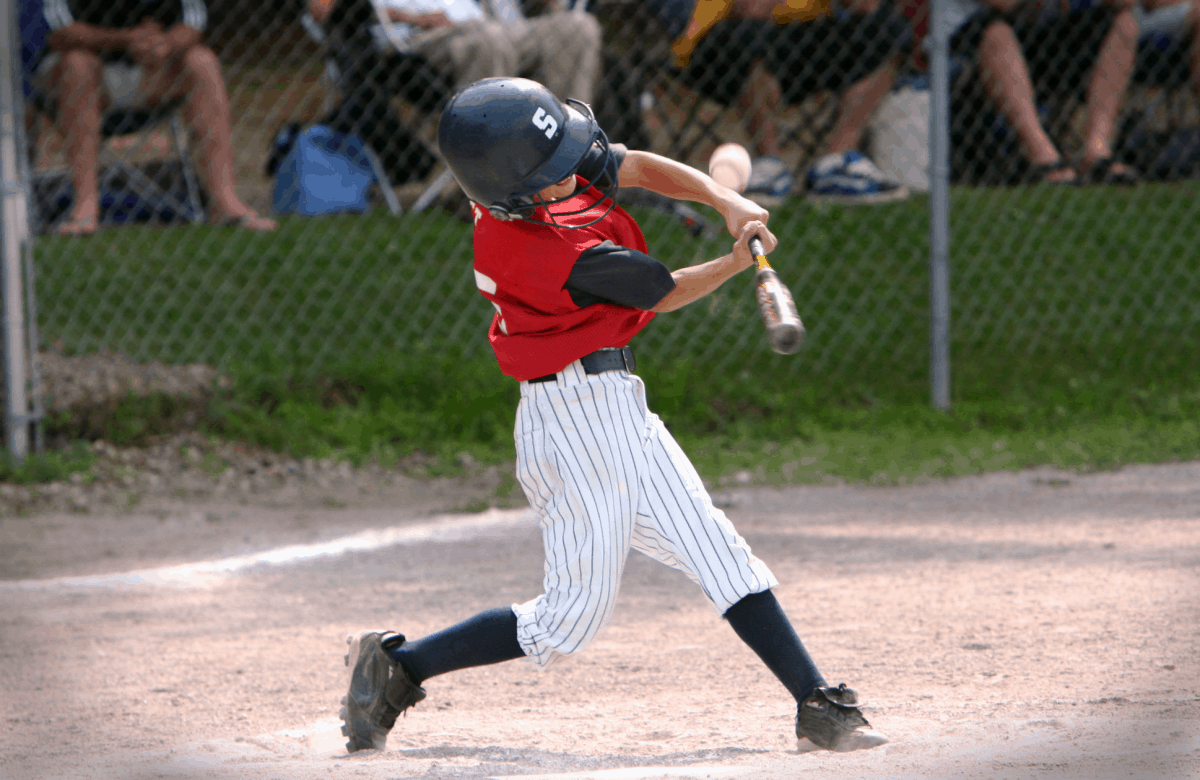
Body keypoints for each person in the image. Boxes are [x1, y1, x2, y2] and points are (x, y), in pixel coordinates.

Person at [339, 76, 890, 757]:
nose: (573, 171)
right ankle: (398, 668)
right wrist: (740, 253)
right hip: (572, 424)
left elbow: (631, 164)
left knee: (717, 550)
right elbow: (662, 290)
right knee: (569, 619)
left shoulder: (527, 183)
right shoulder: (542, 251)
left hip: (615, 405)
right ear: (512, 190)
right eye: (553, 171)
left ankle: (818, 705)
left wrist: (722, 197)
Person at [35, 0, 276, 235]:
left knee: (202, 62)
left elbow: (194, 23)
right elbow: (58, 32)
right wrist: (126, 39)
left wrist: (164, 45)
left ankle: (225, 203)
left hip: (152, 69)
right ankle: (85, 209)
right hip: (85, 74)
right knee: (77, 65)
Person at [669, 0, 912, 204]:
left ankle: (835, 163)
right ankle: (770, 165)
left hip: (801, 38)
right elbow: (752, 10)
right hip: (719, 45)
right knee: (748, 35)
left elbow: (866, 6)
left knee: (889, 29)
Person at [943, 0, 1141, 183]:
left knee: (1124, 23)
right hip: (972, 48)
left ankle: (1096, 150)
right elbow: (1003, 3)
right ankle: (1042, 156)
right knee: (997, 30)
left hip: (1041, 40)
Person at [309, 0, 602, 105]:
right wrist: (411, 17)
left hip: (486, 25)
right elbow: (321, 11)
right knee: (489, 39)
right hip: (419, 38)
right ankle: (487, 179)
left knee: (578, 27)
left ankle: (568, 162)